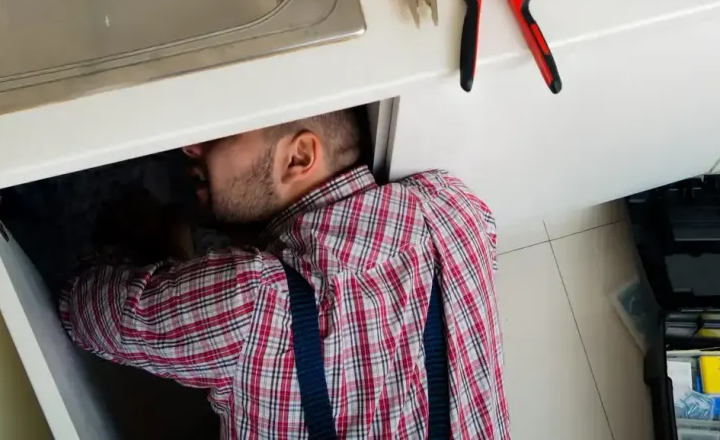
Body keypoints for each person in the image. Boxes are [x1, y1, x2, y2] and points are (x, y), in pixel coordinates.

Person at [59, 108, 508, 438]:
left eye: (225, 128)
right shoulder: (451, 211)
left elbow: (83, 308)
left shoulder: (252, 300)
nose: (190, 146)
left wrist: (171, 254)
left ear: (299, 158)